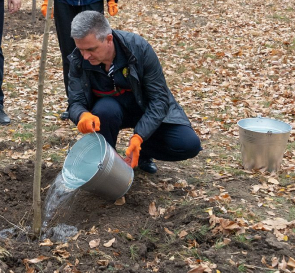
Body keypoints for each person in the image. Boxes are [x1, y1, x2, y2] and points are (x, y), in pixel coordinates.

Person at [67, 11, 201, 174]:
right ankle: (106, 162)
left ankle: (142, 152)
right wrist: (82, 115)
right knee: (105, 110)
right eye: (81, 49)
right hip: (109, 113)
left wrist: (139, 137)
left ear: (108, 39)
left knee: (188, 144)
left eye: (91, 49)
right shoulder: (78, 59)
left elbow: (159, 99)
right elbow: (75, 102)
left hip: (143, 108)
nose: (85, 56)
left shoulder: (139, 49)